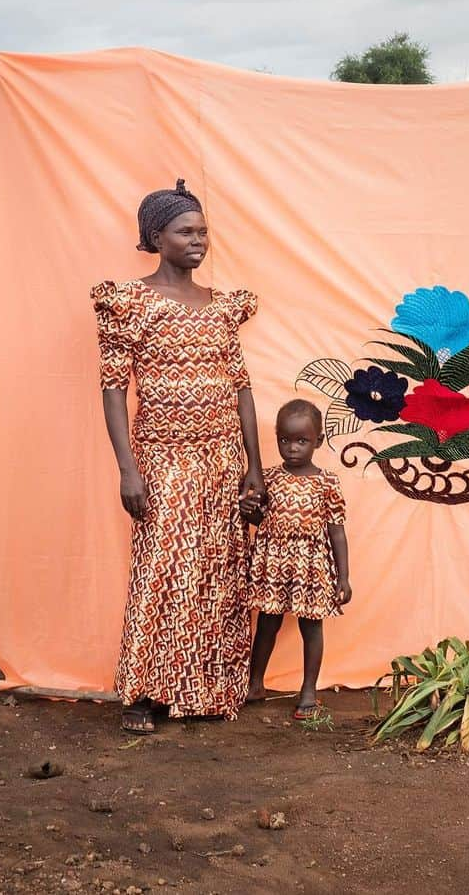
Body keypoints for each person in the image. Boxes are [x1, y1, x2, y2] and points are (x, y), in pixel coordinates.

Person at [91, 178, 264, 732]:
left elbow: (241, 388)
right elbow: (114, 388)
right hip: (162, 458)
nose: (198, 241)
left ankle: (208, 689)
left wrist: (254, 468)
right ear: (155, 237)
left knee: (217, 572)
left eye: (203, 231)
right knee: (162, 570)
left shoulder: (221, 308)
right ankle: (144, 695)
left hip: (220, 462)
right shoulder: (130, 303)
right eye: (185, 232)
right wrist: (128, 469)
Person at [247, 399, 352, 719]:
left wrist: (343, 577)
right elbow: (261, 519)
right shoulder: (268, 478)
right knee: (266, 624)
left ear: (318, 441)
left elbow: (337, 531)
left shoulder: (327, 482)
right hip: (274, 563)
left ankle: (308, 690)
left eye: (301, 441)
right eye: (285, 440)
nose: (292, 448)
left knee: (312, 627)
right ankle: (255, 682)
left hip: (312, 566)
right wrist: (250, 513)